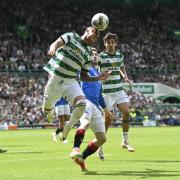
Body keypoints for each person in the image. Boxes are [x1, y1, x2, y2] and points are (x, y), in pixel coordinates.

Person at [42, 26, 110, 142]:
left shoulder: (88, 54)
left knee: (81, 104)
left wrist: (98, 77)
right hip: (56, 79)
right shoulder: (72, 36)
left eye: (97, 36)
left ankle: (68, 126)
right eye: (94, 32)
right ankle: (49, 112)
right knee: (46, 110)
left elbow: (83, 77)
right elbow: (57, 42)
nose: (96, 36)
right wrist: (52, 49)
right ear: (86, 31)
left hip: (70, 82)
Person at [69, 48, 112, 171]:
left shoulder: (98, 75)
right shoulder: (84, 68)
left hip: (96, 107)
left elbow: (99, 95)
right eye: (91, 54)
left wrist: (106, 110)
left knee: (102, 139)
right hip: (86, 102)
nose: (94, 56)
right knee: (85, 123)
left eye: (95, 54)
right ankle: (75, 148)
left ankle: (82, 157)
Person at [97, 32, 135, 159]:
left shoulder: (119, 55)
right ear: (105, 44)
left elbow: (121, 67)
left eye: (113, 42)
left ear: (116, 44)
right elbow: (95, 71)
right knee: (107, 119)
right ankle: (100, 145)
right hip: (106, 92)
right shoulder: (101, 57)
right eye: (108, 42)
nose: (111, 44)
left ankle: (124, 141)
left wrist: (125, 77)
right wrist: (100, 78)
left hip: (118, 90)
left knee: (126, 112)